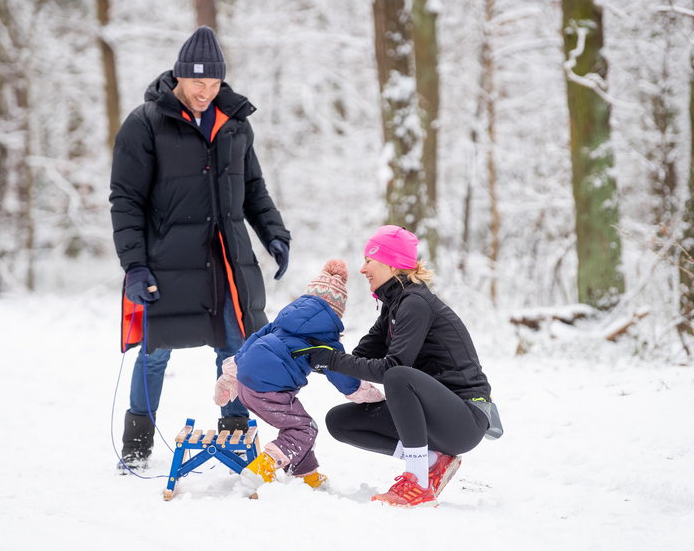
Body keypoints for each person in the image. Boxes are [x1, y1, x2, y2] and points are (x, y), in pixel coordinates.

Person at [109, 26, 291, 470]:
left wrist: (274, 234)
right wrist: (134, 265)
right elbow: (126, 200)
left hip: (225, 263)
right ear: (178, 78)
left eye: (214, 84)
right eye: (197, 83)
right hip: (167, 264)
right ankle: (135, 449)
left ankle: (235, 439)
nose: (206, 93)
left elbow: (252, 188)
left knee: (234, 351)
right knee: (154, 355)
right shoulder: (145, 123)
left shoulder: (235, 125)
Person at [302, 225, 502, 508]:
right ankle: (433, 461)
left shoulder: (416, 303)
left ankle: (418, 481)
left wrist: (331, 359)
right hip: (434, 417)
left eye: (368, 261)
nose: (362, 269)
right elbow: (359, 357)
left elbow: (391, 368)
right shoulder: (394, 306)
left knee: (397, 375)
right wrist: (310, 349)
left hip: (465, 418)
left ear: (390, 264)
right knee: (340, 422)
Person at [213, 259, 384, 492]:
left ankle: (306, 474)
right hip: (269, 389)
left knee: (297, 424)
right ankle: (261, 468)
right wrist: (370, 395)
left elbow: (252, 341)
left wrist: (230, 375)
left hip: (246, 383)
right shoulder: (325, 338)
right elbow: (342, 376)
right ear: (337, 311)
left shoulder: (282, 321)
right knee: (304, 429)